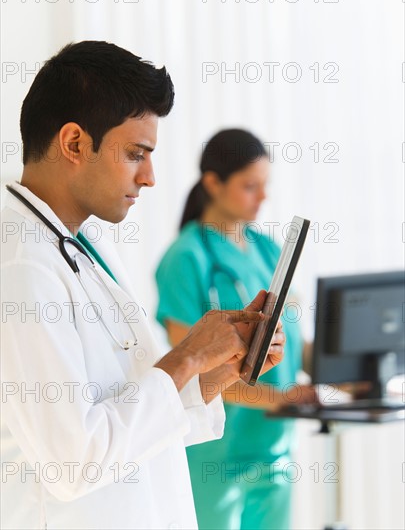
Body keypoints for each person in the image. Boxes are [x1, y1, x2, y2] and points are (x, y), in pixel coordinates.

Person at [0, 43, 286, 530]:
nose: (150, 178)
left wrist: (217, 374)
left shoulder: (85, 243)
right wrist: (189, 355)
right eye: (136, 154)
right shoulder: (21, 267)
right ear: (73, 143)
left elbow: (131, 401)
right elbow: (75, 461)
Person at [155, 129, 316, 530]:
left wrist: (350, 372)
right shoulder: (185, 259)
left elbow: (294, 344)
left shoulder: (268, 251)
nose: (262, 198)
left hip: (275, 450)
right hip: (217, 456)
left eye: (265, 186)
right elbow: (190, 371)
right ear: (213, 183)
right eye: (250, 186)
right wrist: (280, 399)